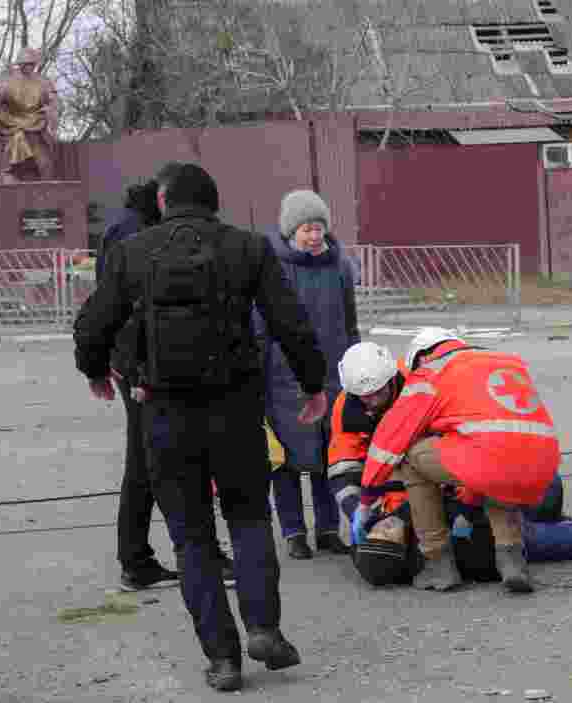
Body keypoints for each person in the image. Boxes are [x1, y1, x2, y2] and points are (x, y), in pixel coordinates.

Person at [73, 162, 328, 692]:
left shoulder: (132, 252)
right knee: (250, 520)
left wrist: (97, 370)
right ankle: (264, 628)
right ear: (215, 203)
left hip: (164, 414)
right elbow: (291, 322)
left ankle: (223, 659)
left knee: (192, 539)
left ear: (163, 203)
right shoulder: (248, 248)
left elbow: (92, 324)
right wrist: (313, 384)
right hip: (235, 409)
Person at [327, 342, 572, 588]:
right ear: (403, 548)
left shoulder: (412, 380)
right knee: (538, 512)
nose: (370, 400)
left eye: (377, 530)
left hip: (467, 482)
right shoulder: (398, 390)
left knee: (539, 489)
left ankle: (473, 556)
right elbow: (349, 464)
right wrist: (362, 510)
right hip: (500, 483)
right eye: (387, 535)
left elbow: (382, 454)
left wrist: (362, 509)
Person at [95, 179, 234, 592]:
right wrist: (123, 361)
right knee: (153, 459)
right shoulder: (135, 232)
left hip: (142, 359)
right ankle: (159, 558)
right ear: (164, 200)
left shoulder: (133, 225)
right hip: (142, 363)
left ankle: (140, 559)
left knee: (148, 457)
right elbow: (119, 302)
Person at [253, 190, 359, 560]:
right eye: (306, 229)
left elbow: (350, 321)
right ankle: (294, 531)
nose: (314, 236)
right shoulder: (273, 267)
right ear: (290, 231)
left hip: (332, 376)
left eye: (318, 228)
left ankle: (329, 529)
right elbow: (260, 325)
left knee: (330, 457)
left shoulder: (340, 265)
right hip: (284, 379)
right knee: (285, 460)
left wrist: (354, 365)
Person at [0, 47, 59, 183]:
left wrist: (49, 111)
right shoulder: (8, 82)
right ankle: (9, 174)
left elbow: (53, 101)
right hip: (14, 127)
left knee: (44, 163)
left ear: (35, 65)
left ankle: (44, 185)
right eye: (25, 64)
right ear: (19, 65)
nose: (28, 67)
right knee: (10, 156)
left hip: (37, 126)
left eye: (31, 64)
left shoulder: (43, 82)